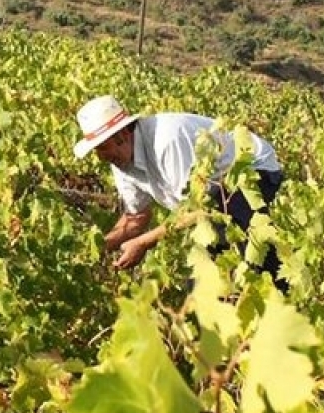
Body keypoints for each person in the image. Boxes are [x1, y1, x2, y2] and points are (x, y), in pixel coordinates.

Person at [73, 95, 286, 285]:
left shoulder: (167, 141)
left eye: (101, 148)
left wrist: (143, 242)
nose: (100, 157)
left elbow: (196, 209)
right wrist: (100, 247)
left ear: (121, 136)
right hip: (211, 197)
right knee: (205, 281)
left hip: (252, 172)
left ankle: (284, 301)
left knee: (254, 258)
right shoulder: (120, 162)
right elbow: (137, 216)